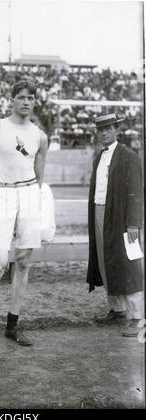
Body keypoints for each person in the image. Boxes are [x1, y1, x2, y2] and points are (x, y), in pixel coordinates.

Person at [0, 80, 48, 360]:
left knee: (24, 261)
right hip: (1, 194)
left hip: (27, 194)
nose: (26, 102)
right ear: (12, 100)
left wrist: (29, 200)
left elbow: (39, 175)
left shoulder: (40, 136)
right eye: (21, 97)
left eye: (31, 98)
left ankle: (12, 326)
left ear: (35, 102)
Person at [86, 113, 144, 337]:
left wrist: (133, 224)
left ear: (117, 130)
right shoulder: (98, 156)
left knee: (128, 262)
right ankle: (117, 309)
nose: (104, 133)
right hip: (100, 212)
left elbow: (136, 193)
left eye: (108, 128)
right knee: (105, 260)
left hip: (122, 217)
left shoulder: (129, 156)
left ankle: (137, 317)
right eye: (100, 130)